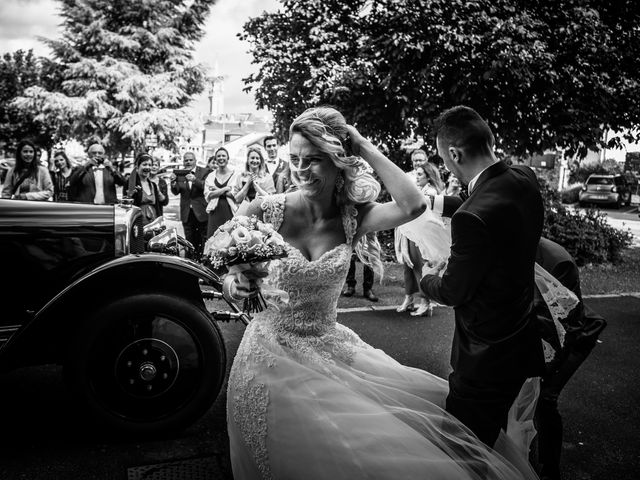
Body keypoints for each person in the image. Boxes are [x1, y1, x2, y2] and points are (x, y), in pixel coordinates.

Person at [223, 106, 538, 480]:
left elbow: (414, 204)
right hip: (267, 361)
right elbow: (229, 280)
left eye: (314, 160)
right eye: (294, 159)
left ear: (339, 161)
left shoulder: (353, 218)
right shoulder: (263, 211)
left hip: (326, 351)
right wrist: (237, 286)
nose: (300, 170)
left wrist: (363, 145)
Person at [420, 105, 545, 449]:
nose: (445, 163)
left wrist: (425, 277)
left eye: (444, 157)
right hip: (519, 340)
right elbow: (480, 198)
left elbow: (453, 289)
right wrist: (432, 203)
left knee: (465, 450)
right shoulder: (523, 178)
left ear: (455, 153)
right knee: (494, 441)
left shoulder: (471, 218)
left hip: (483, 359)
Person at [532, 237, 607, 480]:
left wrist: (543, 369)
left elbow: (568, 324)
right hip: (542, 328)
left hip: (575, 335)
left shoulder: (556, 260)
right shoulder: (512, 244)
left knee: (544, 398)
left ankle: (549, 471)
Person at [396, 163, 446, 316]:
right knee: (408, 266)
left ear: (428, 177)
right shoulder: (421, 190)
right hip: (413, 233)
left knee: (419, 266)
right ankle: (410, 298)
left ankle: (426, 302)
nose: (416, 177)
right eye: (416, 174)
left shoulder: (430, 192)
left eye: (419, 175)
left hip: (421, 235)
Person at [170, 151, 209, 256]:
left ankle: (202, 260)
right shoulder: (180, 173)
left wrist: (195, 180)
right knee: (189, 239)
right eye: (186, 160)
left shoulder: (205, 171)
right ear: (183, 162)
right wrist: (173, 183)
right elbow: (176, 191)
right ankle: (190, 261)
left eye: (191, 160)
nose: (188, 162)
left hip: (201, 212)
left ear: (195, 161)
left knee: (202, 239)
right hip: (187, 212)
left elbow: (207, 186)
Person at [204, 147, 237, 238]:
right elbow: (209, 195)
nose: (221, 158)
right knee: (212, 239)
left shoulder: (234, 175)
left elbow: (234, 195)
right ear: (215, 159)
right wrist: (225, 189)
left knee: (229, 240)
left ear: (228, 158)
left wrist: (216, 189)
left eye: (223, 156)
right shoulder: (211, 176)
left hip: (230, 211)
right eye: (218, 156)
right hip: (214, 212)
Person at [127, 153, 163, 225]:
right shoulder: (131, 183)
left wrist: (160, 222)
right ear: (137, 167)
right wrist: (132, 194)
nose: (148, 167)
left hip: (153, 222)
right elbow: (127, 204)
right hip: (137, 223)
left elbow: (158, 206)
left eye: (150, 165)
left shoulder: (153, 185)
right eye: (144, 164)